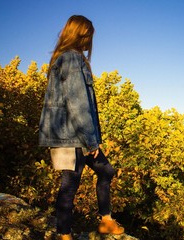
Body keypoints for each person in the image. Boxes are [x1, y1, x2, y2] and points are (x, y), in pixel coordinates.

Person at [39, 15, 124, 240]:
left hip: (78, 135)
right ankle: (64, 235)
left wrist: (93, 137)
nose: (89, 41)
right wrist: (91, 140)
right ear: (80, 34)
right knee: (69, 186)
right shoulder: (71, 59)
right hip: (71, 137)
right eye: (87, 35)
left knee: (106, 171)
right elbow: (78, 103)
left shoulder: (68, 58)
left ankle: (106, 222)